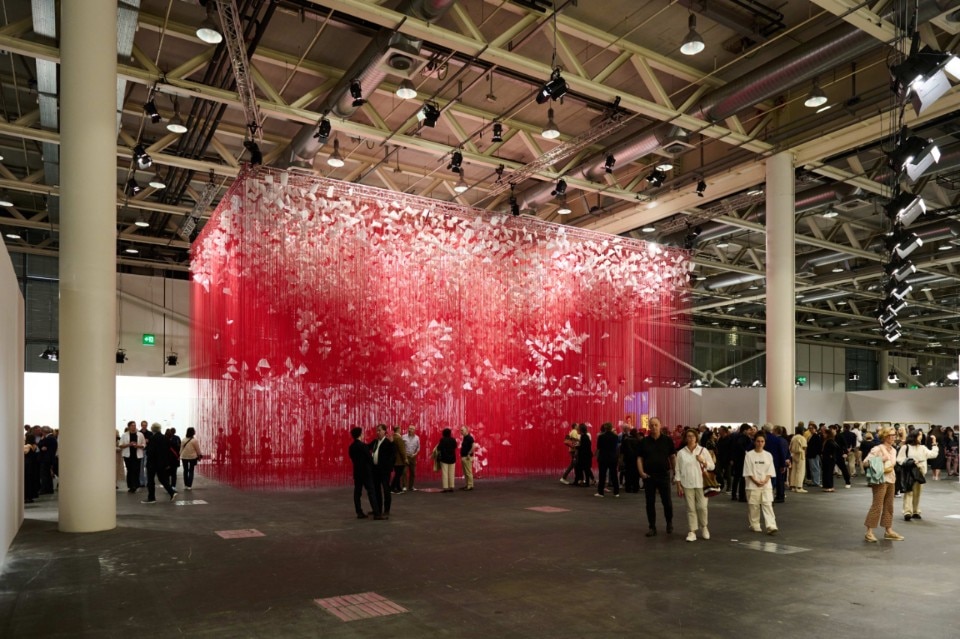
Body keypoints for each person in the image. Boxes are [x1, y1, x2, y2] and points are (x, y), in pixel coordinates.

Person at [638, 417, 676, 537]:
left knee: (667, 502)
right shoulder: (644, 442)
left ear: (660, 426)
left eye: (656, 425)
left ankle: (669, 522)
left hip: (664, 475)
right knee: (650, 503)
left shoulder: (667, 440)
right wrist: (641, 473)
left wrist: (676, 473)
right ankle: (652, 527)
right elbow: (639, 458)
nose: (654, 427)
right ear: (649, 427)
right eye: (652, 425)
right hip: (649, 476)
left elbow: (672, 457)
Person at [863, 427, 902, 542]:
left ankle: (888, 530)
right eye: (891, 435)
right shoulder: (877, 449)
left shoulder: (894, 450)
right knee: (877, 506)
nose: (894, 437)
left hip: (891, 479)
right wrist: (880, 459)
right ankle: (869, 532)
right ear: (885, 436)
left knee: (889, 506)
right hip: (880, 480)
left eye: (894, 434)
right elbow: (865, 463)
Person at [675, 427, 714, 542]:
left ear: (696, 438)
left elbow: (712, 466)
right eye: (688, 436)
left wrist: (703, 461)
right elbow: (678, 470)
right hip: (687, 484)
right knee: (690, 508)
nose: (690, 438)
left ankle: (704, 527)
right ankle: (692, 531)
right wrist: (678, 484)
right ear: (685, 438)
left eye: (692, 436)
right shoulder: (681, 453)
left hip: (701, 483)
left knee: (702, 507)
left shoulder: (703, 450)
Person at [897, 430, 938, 521]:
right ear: (914, 436)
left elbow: (933, 454)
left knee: (917, 493)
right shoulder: (905, 447)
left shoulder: (923, 447)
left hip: (920, 472)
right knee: (909, 492)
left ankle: (916, 511)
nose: (921, 437)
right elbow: (899, 459)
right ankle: (907, 512)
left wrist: (934, 443)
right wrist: (911, 462)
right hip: (909, 472)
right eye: (919, 435)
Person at [744, 432, 778, 534]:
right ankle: (755, 524)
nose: (760, 443)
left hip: (766, 485)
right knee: (754, 506)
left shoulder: (768, 455)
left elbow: (770, 470)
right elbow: (748, 470)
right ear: (754, 442)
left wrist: (765, 480)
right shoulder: (749, 455)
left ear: (764, 443)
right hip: (752, 485)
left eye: (762, 441)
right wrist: (755, 481)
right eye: (758, 441)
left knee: (767, 504)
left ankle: (771, 525)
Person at [348, 427, 381, 519]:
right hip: (366, 473)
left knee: (357, 492)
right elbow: (369, 457)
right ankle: (377, 513)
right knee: (371, 492)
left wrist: (374, 441)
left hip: (357, 472)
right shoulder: (362, 446)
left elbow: (366, 447)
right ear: (360, 434)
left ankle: (359, 512)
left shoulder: (351, 447)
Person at [141, 423, 178, 503]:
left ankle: (151, 498)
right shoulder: (165, 438)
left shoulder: (152, 438)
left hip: (152, 463)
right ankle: (172, 492)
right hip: (162, 463)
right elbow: (168, 451)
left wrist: (147, 452)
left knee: (150, 480)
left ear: (152, 429)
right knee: (162, 479)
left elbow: (151, 451)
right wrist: (166, 463)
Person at [369, 424, 395, 518]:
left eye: (379, 430)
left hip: (384, 471)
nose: (378, 432)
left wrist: (392, 443)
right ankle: (378, 509)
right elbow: (367, 447)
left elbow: (393, 455)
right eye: (377, 431)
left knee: (386, 489)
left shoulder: (388, 442)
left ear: (385, 431)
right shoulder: (375, 441)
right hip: (375, 470)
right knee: (377, 490)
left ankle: (386, 510)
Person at [595, 422, 620, 498]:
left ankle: (601, 492)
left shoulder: (601, 437)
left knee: (602, 475)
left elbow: (598, 447)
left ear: (605, 428)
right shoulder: (615, 436)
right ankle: (616, 492)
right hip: (612, 457)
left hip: (603, 457)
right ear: (611, 427)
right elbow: (616, 447)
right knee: (614, 475)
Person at [119, 421, 145, 493]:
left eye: (135, 425)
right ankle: (131, 486)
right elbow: (120, 445)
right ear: (129, 427)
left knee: (136, 470)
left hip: (137, 455)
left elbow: (143, 445)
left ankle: (136, 485)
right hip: (128, 455)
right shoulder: (124, 435)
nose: (134, 427)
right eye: (132, 425)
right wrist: (129, 444)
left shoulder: (140, 434)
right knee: (130, 470)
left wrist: (138, 446)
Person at [730, 423, 754, 501]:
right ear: (745, 430)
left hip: (737, 459)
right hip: (742, 460)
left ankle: (734, 495)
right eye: (749, 430)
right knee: (742, 478)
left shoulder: (735, 436)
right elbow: (741, 446)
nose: (750, 431)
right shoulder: (743, 437)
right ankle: (741, 496)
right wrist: (746, 452)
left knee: (736, 478)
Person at [620, 427, 641, 493]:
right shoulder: (639, 441)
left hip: (627, 459)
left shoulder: (626, 440)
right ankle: (635, 488)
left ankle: (628, 488)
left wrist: (621, 460)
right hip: (636, 459)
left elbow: (622, 451)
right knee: (636, 474)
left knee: (628, 474)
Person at [436, 427, 457, 492]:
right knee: (451, 473)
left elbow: (439, 448)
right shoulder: (453, 439)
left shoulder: (442, 440)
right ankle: (451, 487)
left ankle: (445, 488)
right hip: (452, 458)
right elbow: (455, 446)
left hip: (444, 459)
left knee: (445, 473)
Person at [37, 427, 58, 495]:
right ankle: (49, 489)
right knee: (47, 475)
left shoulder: (48, 438)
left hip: (46, 459)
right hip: (49, 458)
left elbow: (40, 444)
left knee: (44, 475)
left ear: (43, 432)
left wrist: (42, 439)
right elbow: (42, 446)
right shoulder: (52, 437)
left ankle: (45, 489)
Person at [788, 425, 808, 493]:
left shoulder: (794, 437)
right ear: (802, 431)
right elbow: (804, 447)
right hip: (801, 455)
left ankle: (793, 486)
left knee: (794, 470)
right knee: (800, 471)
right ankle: (799, 487)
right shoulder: (802, 438)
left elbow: (790, 447)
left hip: (794, 455)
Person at [401, 424, 421, 491]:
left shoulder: (417, 438)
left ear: (414, 430)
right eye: (409, 428)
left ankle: (411, 486)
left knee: (413, 472)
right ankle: (404, 486)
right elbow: (401, 447)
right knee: (404, 471)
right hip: (406, 456)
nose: (410, 430)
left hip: (413, 457)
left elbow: (418, 447)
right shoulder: (403, 436)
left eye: (412, 429)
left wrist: (415, 454)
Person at [390, 426, 408, 495]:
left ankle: (398, 487)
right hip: (399, 460)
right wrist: (405, 458)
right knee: (398, 474)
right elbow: (402, 450)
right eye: (400, 429)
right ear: (398, 430)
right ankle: (392, 487)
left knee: (397, 473)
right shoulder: (399, 438)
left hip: (394, 459)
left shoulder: (393, 437)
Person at [459, 425, 477, 491]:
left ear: (466, 430)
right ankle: (467, 485)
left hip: (467, 457)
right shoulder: (465, 437)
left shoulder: (469, 437)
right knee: (466, 472)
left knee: (468, 472)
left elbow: (473, 446)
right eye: (460, 430)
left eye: (462, 430)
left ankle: (470, 485)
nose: (461, 431)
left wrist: (469, 453)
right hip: (464, 457)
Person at [24, 434, 40, 503]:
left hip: (28, 465)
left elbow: (25, 452)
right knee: (31, 480)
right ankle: (30, 496)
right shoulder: (34, 445)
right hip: (33, 464)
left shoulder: (28, 446)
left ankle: (27, 497)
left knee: (27, 480)